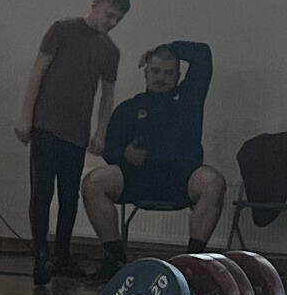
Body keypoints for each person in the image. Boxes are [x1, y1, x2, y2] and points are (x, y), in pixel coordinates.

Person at [17, 0, 126, 288]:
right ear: (95, 4)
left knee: (69, 196)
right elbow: (37, 73)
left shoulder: (110, 51)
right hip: (46, 126)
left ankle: (62, 254)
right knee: (42, 192)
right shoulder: (61, 31)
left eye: (117, 19)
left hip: (76, 134)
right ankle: (41, 254)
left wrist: (101, 131)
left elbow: (107, 95)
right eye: (109, 15)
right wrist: (26, 117)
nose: (111, 23)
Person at [82, 39, 224, 260]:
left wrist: (167, 47)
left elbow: (203, 53)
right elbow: (110, 149)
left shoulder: (190, 98)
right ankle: (115, 259)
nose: (161, 77)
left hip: (182, 179)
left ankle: (192, 261)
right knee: (93, 183)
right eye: (156, 71)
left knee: (213, 182)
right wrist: (124, 154)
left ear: (178, 76)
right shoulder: (129, 108)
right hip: (138, 178)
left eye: (168, 73)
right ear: (146, 73)